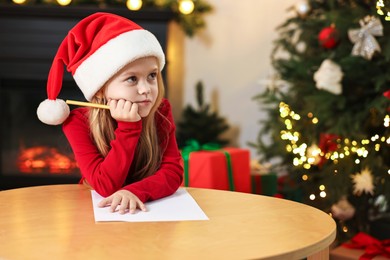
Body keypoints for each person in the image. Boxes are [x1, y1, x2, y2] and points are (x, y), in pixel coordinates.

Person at [36, 12, 183, 214]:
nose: (146, 89)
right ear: (100, 89)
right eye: (132, 79)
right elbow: (105, 186)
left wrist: (135, 191)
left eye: (152, 75)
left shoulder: (161, 110)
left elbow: (173, 173)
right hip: (100, 213)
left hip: (150, 208)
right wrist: (129, 128)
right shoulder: (77, 122)